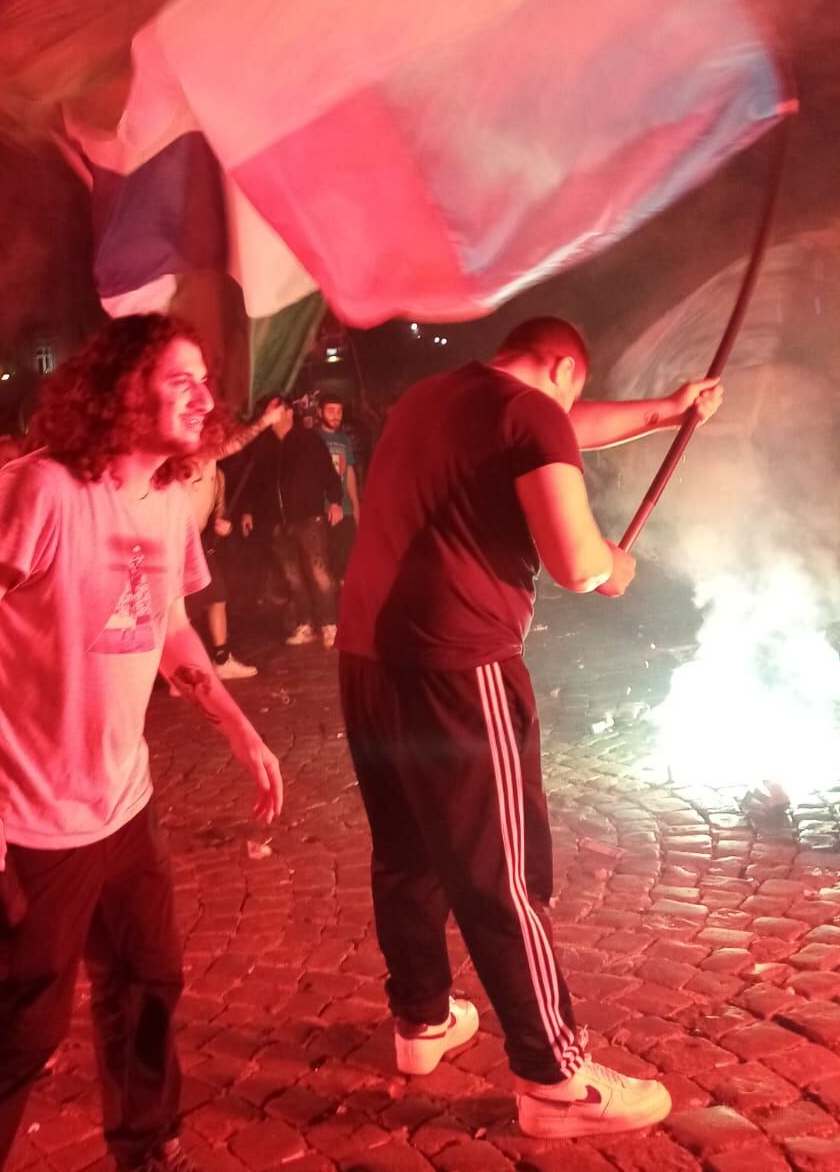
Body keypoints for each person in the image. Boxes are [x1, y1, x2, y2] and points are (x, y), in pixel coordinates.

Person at [0, 314, 283, 1172]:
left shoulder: (168, 497)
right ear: (121, 389)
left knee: (148, 985)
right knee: (18, 1022)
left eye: (206, 379)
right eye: (180, 378)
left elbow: (173, 627)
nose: (205, 396)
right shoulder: (35, 491)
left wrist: (237, 725)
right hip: (29, 819)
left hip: (124, 805)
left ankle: (148, 1150)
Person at [337, 317, 723, 1139]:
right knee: (502, 872)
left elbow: (558, 429)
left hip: (368, 658)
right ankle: (553, 1079)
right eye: (571, 391)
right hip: (459, 668)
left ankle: (422, 1021)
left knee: (406, 853)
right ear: (561, 366)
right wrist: (615, 567)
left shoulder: (435, 397)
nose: (569, 414)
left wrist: (665, 409)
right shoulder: (531, 412)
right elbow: (578, 561)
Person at [181, 400, 287, 681]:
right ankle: (181, 671)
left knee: (217, 597)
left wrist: (222, 524)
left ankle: (220, 659)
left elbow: (215, 509)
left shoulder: (218, 473)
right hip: (175, 543)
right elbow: (236, 443)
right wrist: (264, 422)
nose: (219, 436)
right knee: (182, 612)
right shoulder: (191, 456)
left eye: (220, 431)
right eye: (213, 431)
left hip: (196, 543)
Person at [241, 399, 343, 647]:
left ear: (288, 412)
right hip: (277, 521)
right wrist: (247, 511)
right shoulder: (265, 445)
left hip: (309, 517)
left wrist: (335, 501)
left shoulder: (309, 439)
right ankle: (305, 624)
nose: (269, 416)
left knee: (320, 574)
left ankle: (330, 625)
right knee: (293, 577)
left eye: (274, 410)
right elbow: (255, 480)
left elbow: (328, 472)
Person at [317, 395, 360, 579]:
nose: (336, 415)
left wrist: (356, 505)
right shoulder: (313, 437)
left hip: (345, 509)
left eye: (339, 411)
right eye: (331, 411)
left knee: (347, 560)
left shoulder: (344, 439)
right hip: (323, 509)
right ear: (320, 412)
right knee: (326, 563)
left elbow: (348, 470)